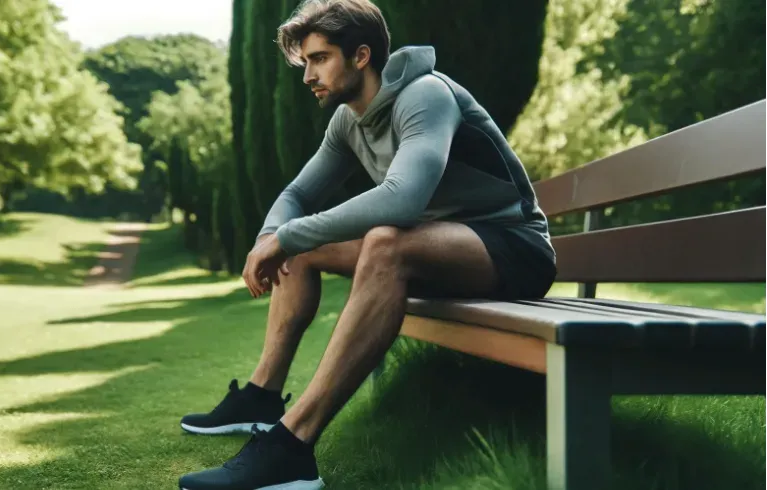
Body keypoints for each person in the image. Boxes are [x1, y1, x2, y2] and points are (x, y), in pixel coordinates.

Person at [177, 0, 556, 488]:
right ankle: (261, 396)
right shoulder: (348, 121)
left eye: (319, 59)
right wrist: (272, 238)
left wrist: (288, 234)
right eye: (306, 61)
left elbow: (401, 201)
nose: (308, 74)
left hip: (513, 248)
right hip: (441, 252)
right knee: (307, 246)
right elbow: (298, 193)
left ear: (360, 56)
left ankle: (292, 445)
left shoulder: (426, 96)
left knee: (384, 241)